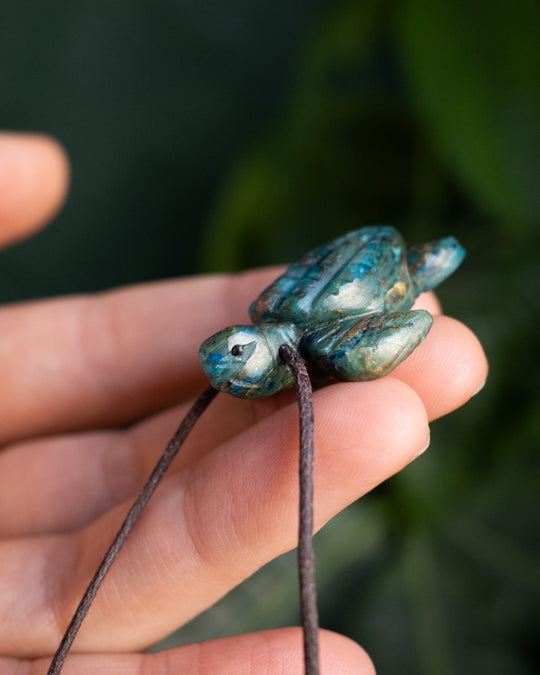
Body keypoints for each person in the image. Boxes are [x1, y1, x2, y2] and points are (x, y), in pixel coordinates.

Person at [0, 132, 488, 674]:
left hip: (383, 276)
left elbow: (411, 319)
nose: (232, 380)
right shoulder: (275, 322)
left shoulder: (317, 342)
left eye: (236, 358)